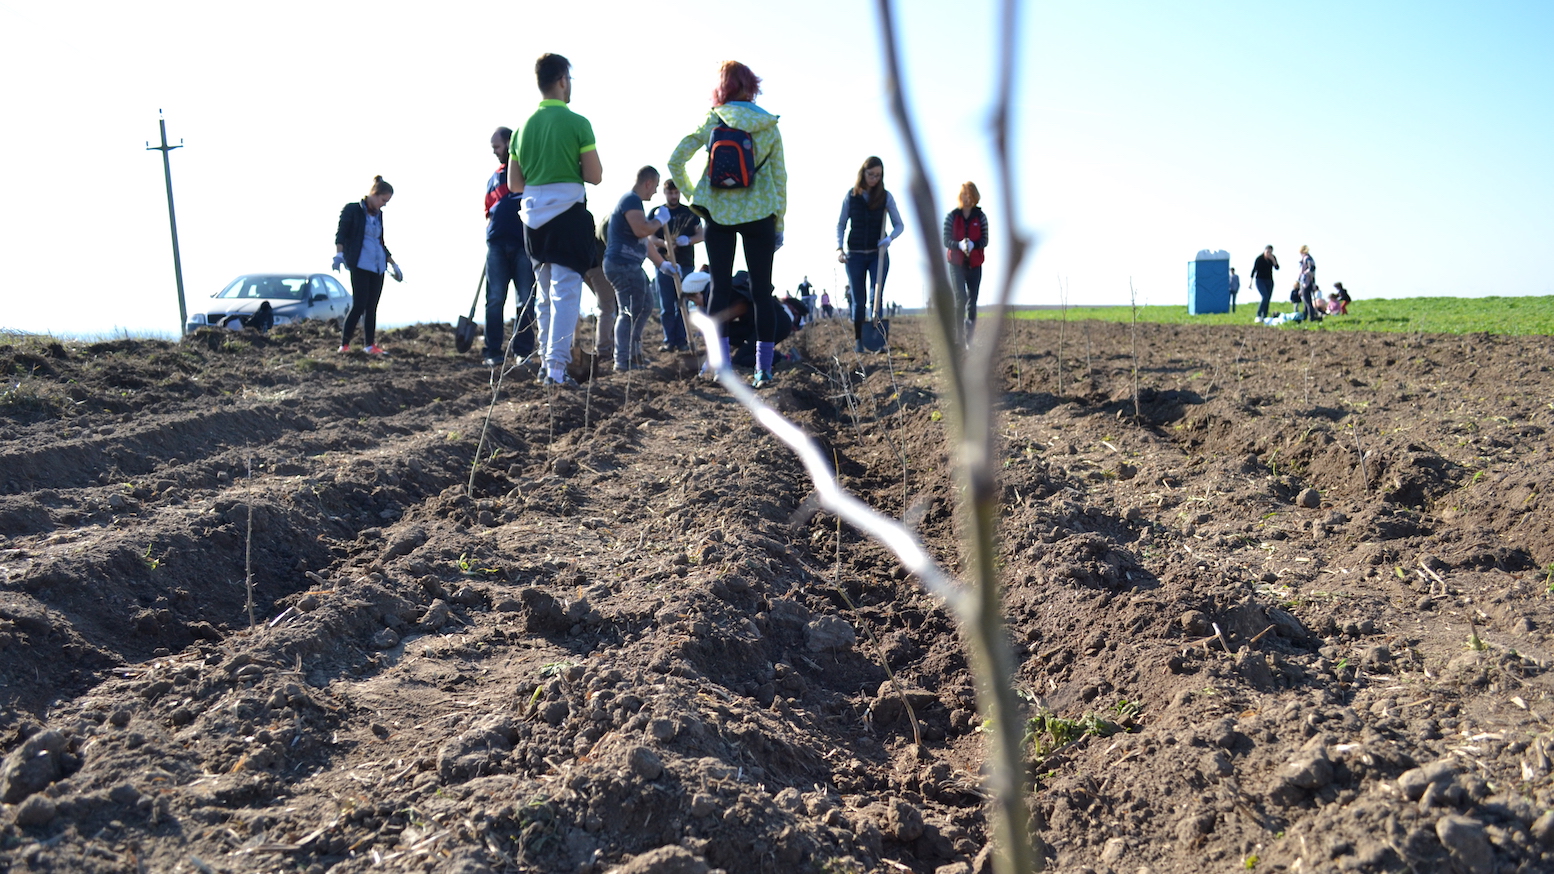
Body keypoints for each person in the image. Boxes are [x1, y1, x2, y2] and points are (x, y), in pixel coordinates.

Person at [668, 60, 787, 388]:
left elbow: (675, 159)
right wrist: (780, 221)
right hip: (761, 213)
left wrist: (695, 194)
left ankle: (721, 367)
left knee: (719, 289)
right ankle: (764, 369)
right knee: (762, 292)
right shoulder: (768, 125)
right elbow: (780, 178)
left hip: (717, 213)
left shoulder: (713, 118)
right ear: (751, 86)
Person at [510, 53, 603, 388]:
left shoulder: (522, 128)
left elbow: (513, 185)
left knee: (545, 295)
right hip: (567, 215)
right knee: (566, 293)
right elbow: (595, 175)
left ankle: (547, 366)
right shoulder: (578, 123)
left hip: (533, 218)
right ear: (563, 79)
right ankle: (556, 370)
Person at [603, 166, 674, 372]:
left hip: (630, 264)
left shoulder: (635, 204)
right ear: (648, 183)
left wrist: (662, 264)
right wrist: (659, 220)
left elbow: (644, 241)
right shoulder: (631, 200)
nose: (655, 192)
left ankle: (634, 355)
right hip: (622, 263)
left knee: (644, 306)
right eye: (656, 186)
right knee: (629, 311)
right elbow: (642, 229)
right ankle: (623, 360)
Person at [836, 156, 905, 352]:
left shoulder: (885, 196)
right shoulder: (851, 196)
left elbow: (899, 224)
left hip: (878, 255)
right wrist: (839, 248)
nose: (874, 179)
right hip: (855, 255)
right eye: (871, 174)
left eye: (878, 176)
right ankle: (859, 341)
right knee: (859, 300)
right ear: (863, 173)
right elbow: (841, 224)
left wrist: (890, 238)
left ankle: (878, 342)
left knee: (877, 297)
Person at [483, 127, 535, 367]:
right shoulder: (492, 179)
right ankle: (492, 351)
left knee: (525, 299)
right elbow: (488, 212)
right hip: (496, 244)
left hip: (523, 244)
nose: (494, 151)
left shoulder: (528, 171)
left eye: (497, 146)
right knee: (494, 298)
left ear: (509, 144)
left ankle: (522, 350)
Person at [333, 175, 401, 355]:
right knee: (359, 303)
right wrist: (339, 254)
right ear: (374, 194)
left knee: (372, 306)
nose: (384, 204)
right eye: (383, 200)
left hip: (378, 266)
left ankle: (370, 345)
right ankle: (344, 344)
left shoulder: (379, 216)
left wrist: (393, 264)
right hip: (360, 263)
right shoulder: (353, 210)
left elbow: (380, 242)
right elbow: (341, 234)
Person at [650, 178, 702, 352]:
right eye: (670, 193)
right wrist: (664, 244)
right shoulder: (658, 213)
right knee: (666, 306)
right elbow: (649, 237)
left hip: (685, 264)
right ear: (664, 193)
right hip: (664, 263)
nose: (673, 196)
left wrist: (688, 240)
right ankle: (668, 340)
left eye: (676, 192)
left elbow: (701, 235)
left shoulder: (689, 213)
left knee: (683, 303)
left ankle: (682, 340)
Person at [942, 181, 988, 346]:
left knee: (972, 302)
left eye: (970, 195)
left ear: (974, 197)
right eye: (964, 195)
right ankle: (958, 338)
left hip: (975, 264)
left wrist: (974, 244)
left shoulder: (980, 217)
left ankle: (970, 338)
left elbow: (985, 239)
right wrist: (959, 244)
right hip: (956, 264)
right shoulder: (952, 216)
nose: (967, 198)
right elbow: (946, 239)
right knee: (960, 298)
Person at [1249, 245, 1280, 320]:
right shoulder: (1259, 259)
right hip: (1260, 280)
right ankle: (1259, 314)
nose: (1269, 253)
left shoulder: (1272, 258)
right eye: (1267, 252)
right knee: (1264, 297)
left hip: (1269, 280)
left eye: (1270, 252)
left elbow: (1277, 268)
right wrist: (1250, 282)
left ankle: (1265, 316)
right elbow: (1254, 270)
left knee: (1268, 298)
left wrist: (1273, 260)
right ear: (1264, 251)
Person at [1298, 245, 1319, 322]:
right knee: (1307, 301)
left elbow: (1312, 268)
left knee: (1307, 301)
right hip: (1309, 282)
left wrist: (1305, 273)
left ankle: (1311, 317)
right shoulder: (1308, 258)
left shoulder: (1307, 258)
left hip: (1306, 282)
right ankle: (1304, 317)